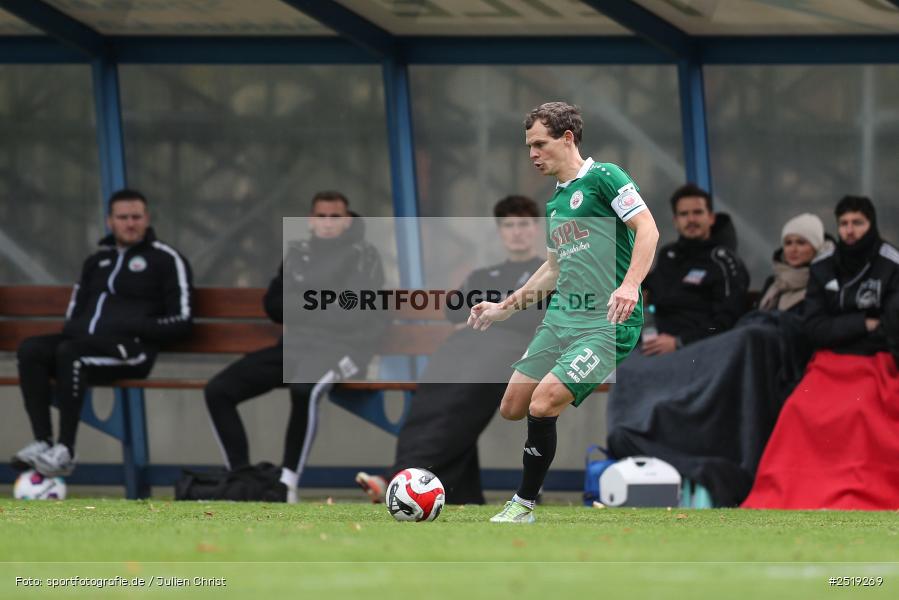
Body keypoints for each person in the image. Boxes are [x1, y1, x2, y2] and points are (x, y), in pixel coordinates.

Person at [467, 101, 659, 523]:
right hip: (561, 319)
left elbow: (648, 229)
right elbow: (553, 269)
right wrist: (504, 308)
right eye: (529, 146)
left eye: (540, 144)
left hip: (606, 323)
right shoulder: (555, 204)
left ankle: (524, 504)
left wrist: (629, 285)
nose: (532, 154)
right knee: (513, 407)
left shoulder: (605, 178)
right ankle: (525, 501)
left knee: (542, 403)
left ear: (567, 138)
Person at [607, 213, 830, 506]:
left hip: (759, 360)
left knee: (747, 342)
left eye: (802, 242)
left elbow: (737, 324)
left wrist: (683, 342)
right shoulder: (775, 283)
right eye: (789, 242)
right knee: (632, 367)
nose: (794, 249)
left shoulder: (822, 281)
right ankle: (634, 435)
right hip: (717, 354)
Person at [355, 195, 546, 505]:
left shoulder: (545, 272)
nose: (516, 232)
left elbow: (538, 316)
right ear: (500, 231)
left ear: (536, 228)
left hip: (513, 353)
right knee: (430, 399)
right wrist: (497, 311)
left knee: (460, 401)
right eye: (508, 225)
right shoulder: (486, 274)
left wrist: (495, 312)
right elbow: (453, 310)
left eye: (523, 224)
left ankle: (401, 477)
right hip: (464, 350)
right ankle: (459, 492)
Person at [203, 191, 384, 503]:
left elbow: (354, 313)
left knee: (304, 389)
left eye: (336, 216)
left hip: (344, 349)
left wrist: (302, 304)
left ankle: (287, 486)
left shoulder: (364, 254)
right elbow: (273, 304)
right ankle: (240, 478)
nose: (328, 223)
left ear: (348, 219)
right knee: (218, 390)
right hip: (294, 348)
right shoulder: (298, 253)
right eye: (321, 216)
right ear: (311, 221)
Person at [12, 189, 193, 477]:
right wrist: (78, 330)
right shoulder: (96, 262)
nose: (130, 223)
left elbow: (183, 320)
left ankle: (66, 450)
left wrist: (134, 327)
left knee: (71, 354)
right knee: (31, 349)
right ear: (110, 221)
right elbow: (74, 312)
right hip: (84, 344)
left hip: (131, 351)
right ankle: (43, 441)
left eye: (136, 217)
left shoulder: (166, 259)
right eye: (123, 217)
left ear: (147, 219)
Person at [743, 196, 899, 510]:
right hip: (829, 362)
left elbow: (890, 326)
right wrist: (862, 323)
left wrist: (847, 328)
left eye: (858, 223)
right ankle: (796, 493)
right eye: (844, 223)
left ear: (871, 225)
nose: (850, 230)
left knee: (863, 413)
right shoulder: (823, 267)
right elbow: (814, 328)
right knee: (797, 409)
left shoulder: (891, 264)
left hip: (877, 361)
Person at [641, 184, 750, 355]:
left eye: (697, 212)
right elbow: (652, 290)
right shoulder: (668, 254)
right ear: (675, 221)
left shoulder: (723, 261)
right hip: (653, 345)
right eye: (684, 214)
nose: (691, 219)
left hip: (699, 350)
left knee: (624, 374)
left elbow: (727, 319)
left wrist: (680, 342)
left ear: (711, 218)